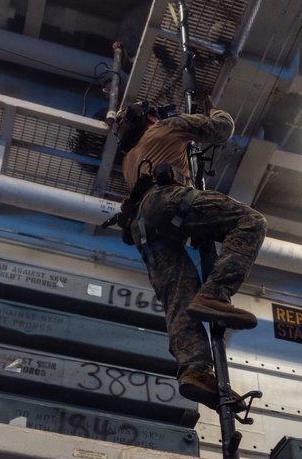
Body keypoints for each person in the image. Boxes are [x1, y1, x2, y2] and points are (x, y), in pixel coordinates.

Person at [110, 99, 268, 410]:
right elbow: (222, 129)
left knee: (179, 295)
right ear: (152, 117)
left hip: (142, 226)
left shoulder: (129, 160)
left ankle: (195, 371)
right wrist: (213, 110)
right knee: (251, 222)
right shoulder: (167, 127)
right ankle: (215, 295)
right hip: (166, 201)